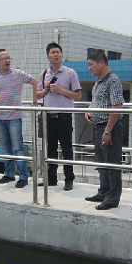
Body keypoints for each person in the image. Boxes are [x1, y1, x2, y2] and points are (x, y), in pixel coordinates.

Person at [0, 49, 38, 188]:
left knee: (18, 147)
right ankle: (8, 174)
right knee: (5, 148)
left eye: (9, 58)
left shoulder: (17, 74)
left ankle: (23, 176)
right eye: (4, 58)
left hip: (14, 117)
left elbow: (35, 82)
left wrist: (35, 101)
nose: (8, 60)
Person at [35, 43, 82, 191]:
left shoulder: (70, 73)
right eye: (53, 52)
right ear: (48, 57)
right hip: (48, 117)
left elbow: (78, 95)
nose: (56, 55)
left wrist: (60, 90)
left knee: (67, 149)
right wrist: (45, 90)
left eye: (58, 52)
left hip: (64, 116)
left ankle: (69, 179)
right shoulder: (44, 74)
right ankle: (51, 178)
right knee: (51, 149)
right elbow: (37, 95)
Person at [84, 50, 124, 210]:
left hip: (109, 127)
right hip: (98, 126)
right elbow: (96, 101)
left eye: (91, 64)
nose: (89, 68)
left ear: (101, 63)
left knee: (112, 164)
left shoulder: (113, 81)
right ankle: (103, 192)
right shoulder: (98, 82)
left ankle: (112, 198)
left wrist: (108, 130)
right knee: (101, 163)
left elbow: (116, 106)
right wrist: (89, 110)